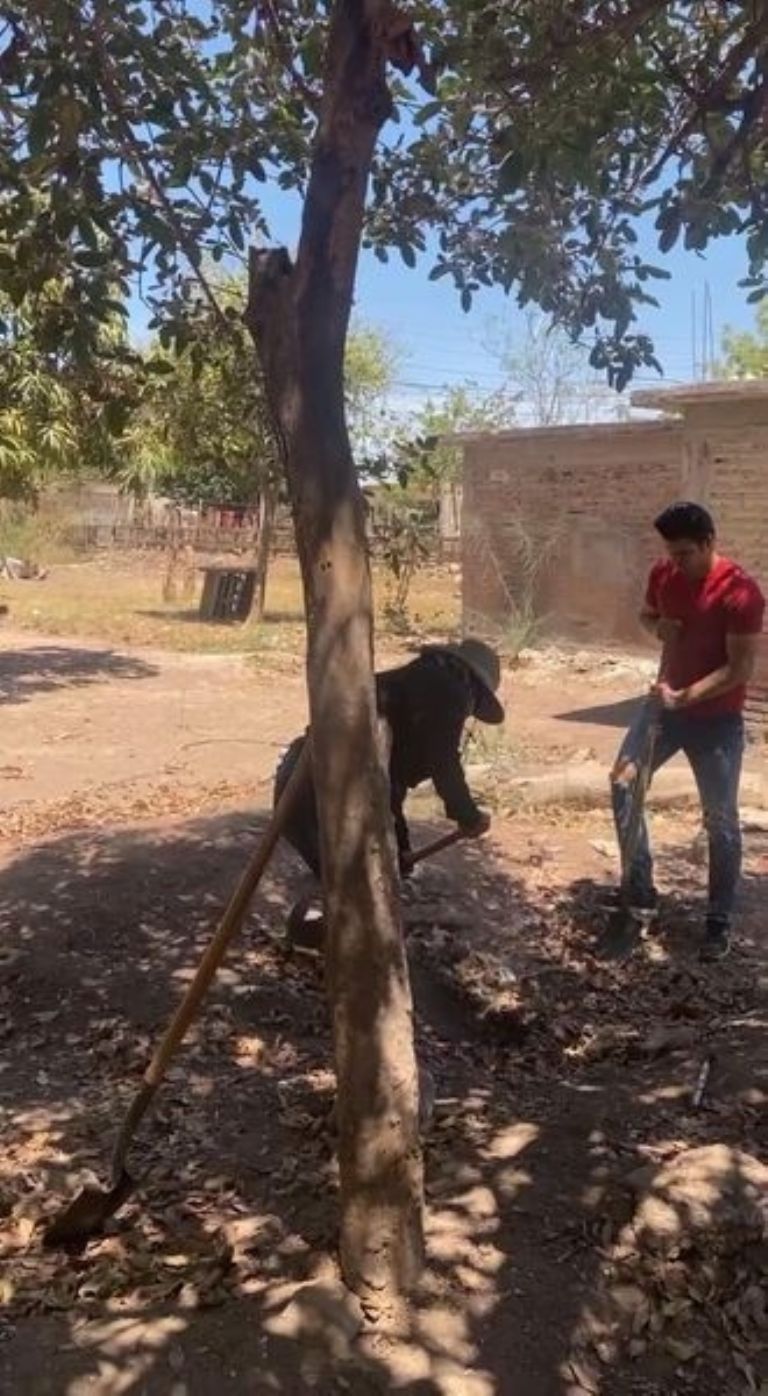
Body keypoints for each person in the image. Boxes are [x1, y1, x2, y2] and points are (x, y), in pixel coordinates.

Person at [609, 501, 764, 962]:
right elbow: (646, 615)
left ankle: (718, 920)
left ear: (709, 543)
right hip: (664, 708)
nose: (676, 563)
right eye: (671, 554)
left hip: (716, 720)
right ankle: (640, 894)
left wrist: (685, 696)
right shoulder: (664, 574)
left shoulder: (741, 594)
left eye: (685, 554)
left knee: (721, 822)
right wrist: (659, 627)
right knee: (623, 783)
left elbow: (739, 670)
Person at [274, 638, 504, 931]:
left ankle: (329, 935)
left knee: (369, 876)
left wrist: (401, 851)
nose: (470, 711)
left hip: (302, 782)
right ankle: (338, 943)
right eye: (477, 705)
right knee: (361, 888)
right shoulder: (446, 688)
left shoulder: (411, 683)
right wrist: (467, 815)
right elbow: (443, 761)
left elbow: (386, 786)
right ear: (473, 685)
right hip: (319, 789)